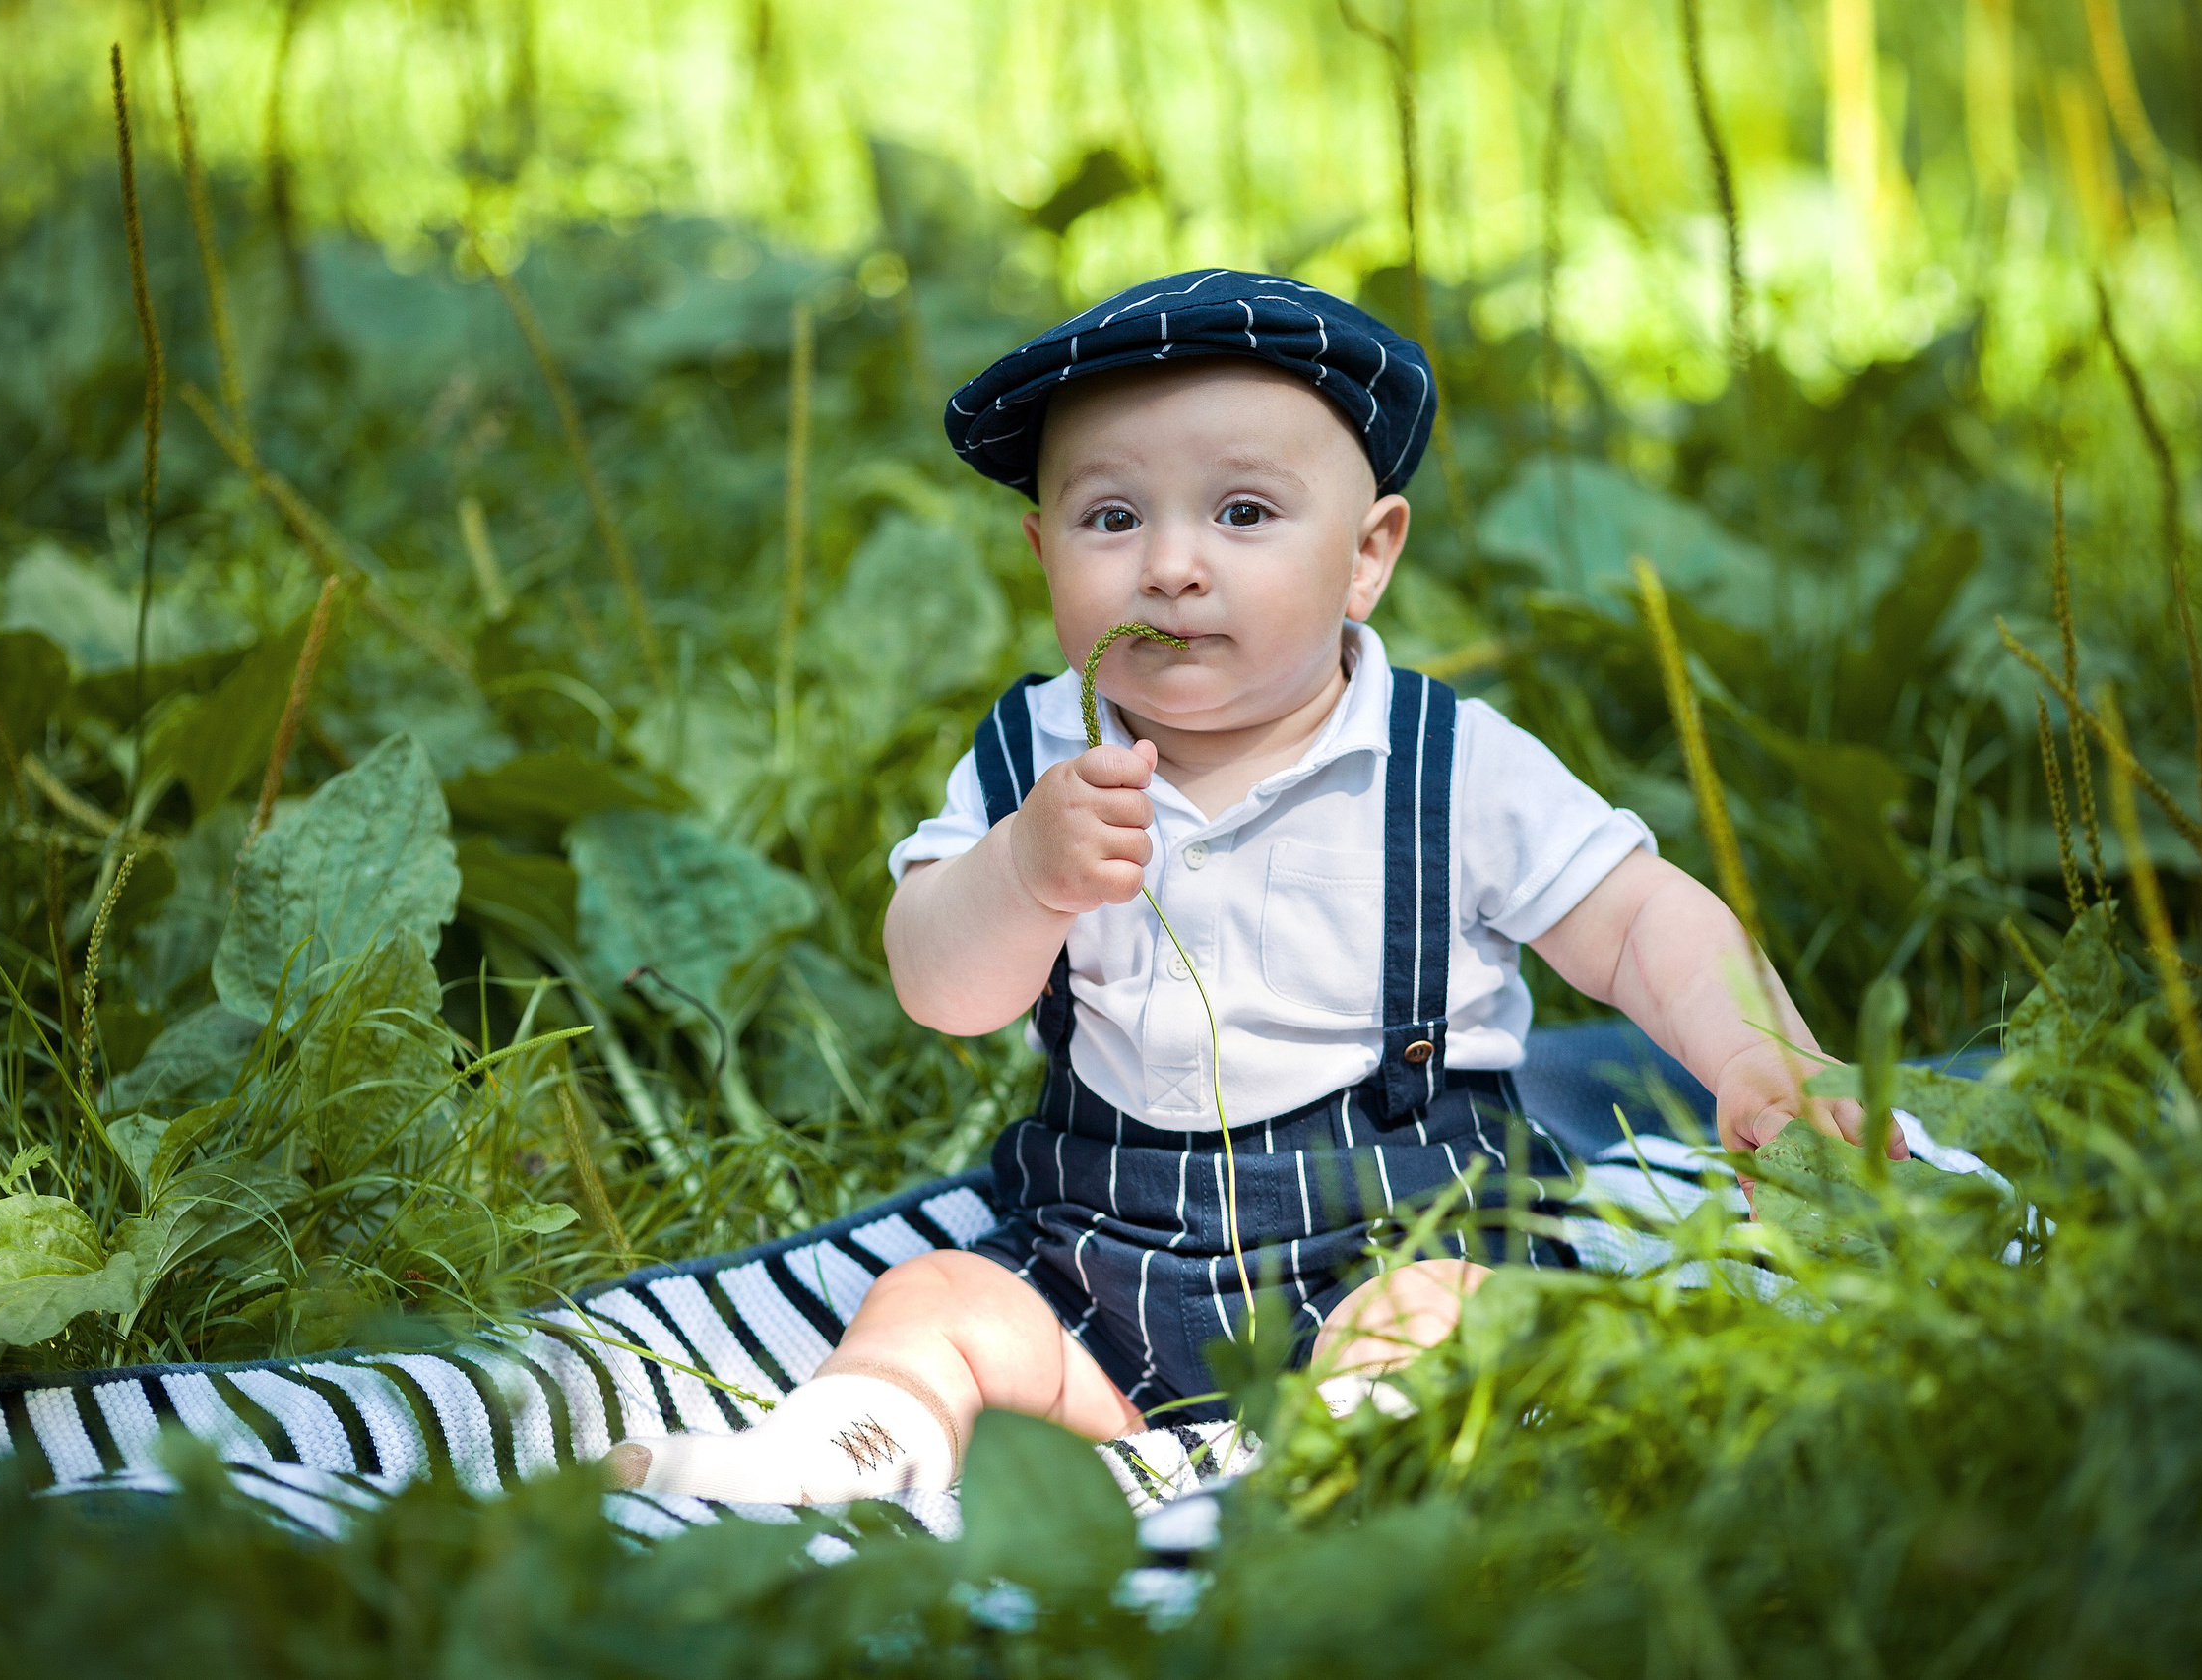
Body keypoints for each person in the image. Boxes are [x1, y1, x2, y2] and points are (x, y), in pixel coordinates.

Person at [609, 269, 1899, 1506]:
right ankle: (834, 1452)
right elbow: (940, 988)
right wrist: (1019, 874)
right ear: (1041, 551)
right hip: (1104, 1273)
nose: (1171, 565)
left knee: (1439, 1329)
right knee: (936, 1304)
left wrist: (1754, 1048)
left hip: (1401, 1236)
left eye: (1242, 514)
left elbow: (1636, 923)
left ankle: (1332, 1483)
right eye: (1113, 519)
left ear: (1367, 555)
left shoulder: (1449, 766)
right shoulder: (1035, 759)